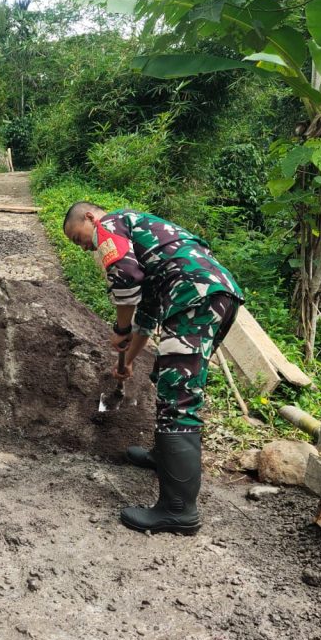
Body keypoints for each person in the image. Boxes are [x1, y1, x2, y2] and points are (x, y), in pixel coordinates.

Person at [63, 201, 244, 535]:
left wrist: (119, 329)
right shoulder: (146, 242)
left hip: (194, 296)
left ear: (90, 217)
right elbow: (146, 318)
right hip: (211, 293)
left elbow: (126, 277)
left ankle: (178, 512)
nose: (86, 246)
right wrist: (127, 362)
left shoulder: (110, 225)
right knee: (168, 376)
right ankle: (163, 456)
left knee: (179, 397)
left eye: (79, 238)